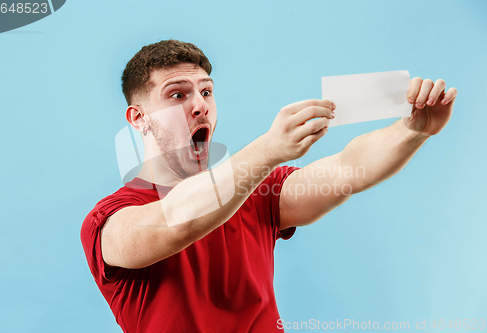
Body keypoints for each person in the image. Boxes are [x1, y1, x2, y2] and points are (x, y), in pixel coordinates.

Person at [80, 39, 457, 333]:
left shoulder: (258, 191)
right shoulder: (109, 221)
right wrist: (268, 149)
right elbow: (175, 221)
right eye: (178, 94)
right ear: (139, 118)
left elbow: (349, 169)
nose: (200, 106)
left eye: (206, 92)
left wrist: (413, 130)